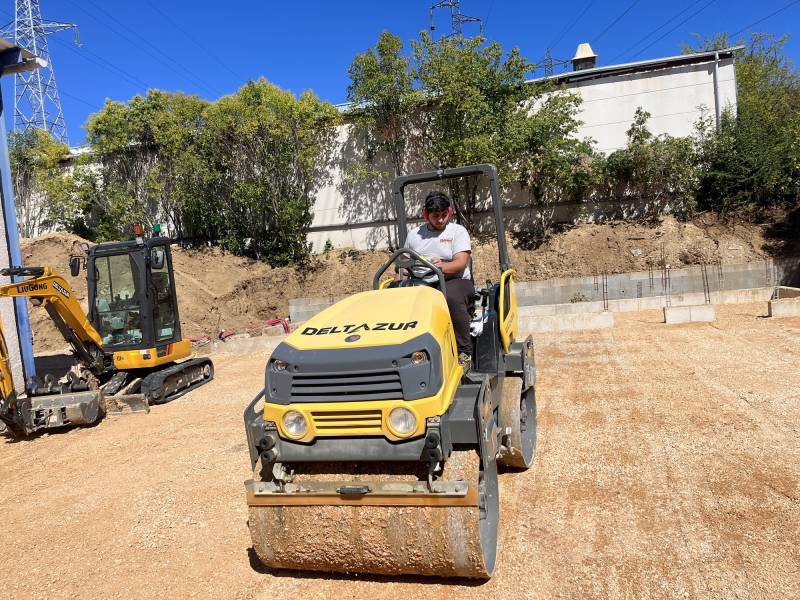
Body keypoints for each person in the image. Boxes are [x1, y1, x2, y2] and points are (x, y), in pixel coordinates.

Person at [404, 191, 474, 370]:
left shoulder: (457, 232)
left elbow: (460, 263)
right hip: (422, 282)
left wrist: (442, 266)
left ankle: (464, 352)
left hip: (454, 280)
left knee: (449, 297)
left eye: (444, 215)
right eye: (436, 216)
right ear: (426, 214)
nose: (441, 220)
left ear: (449, 212)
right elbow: (404, 263)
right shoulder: (414, 235)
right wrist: (400, 279)